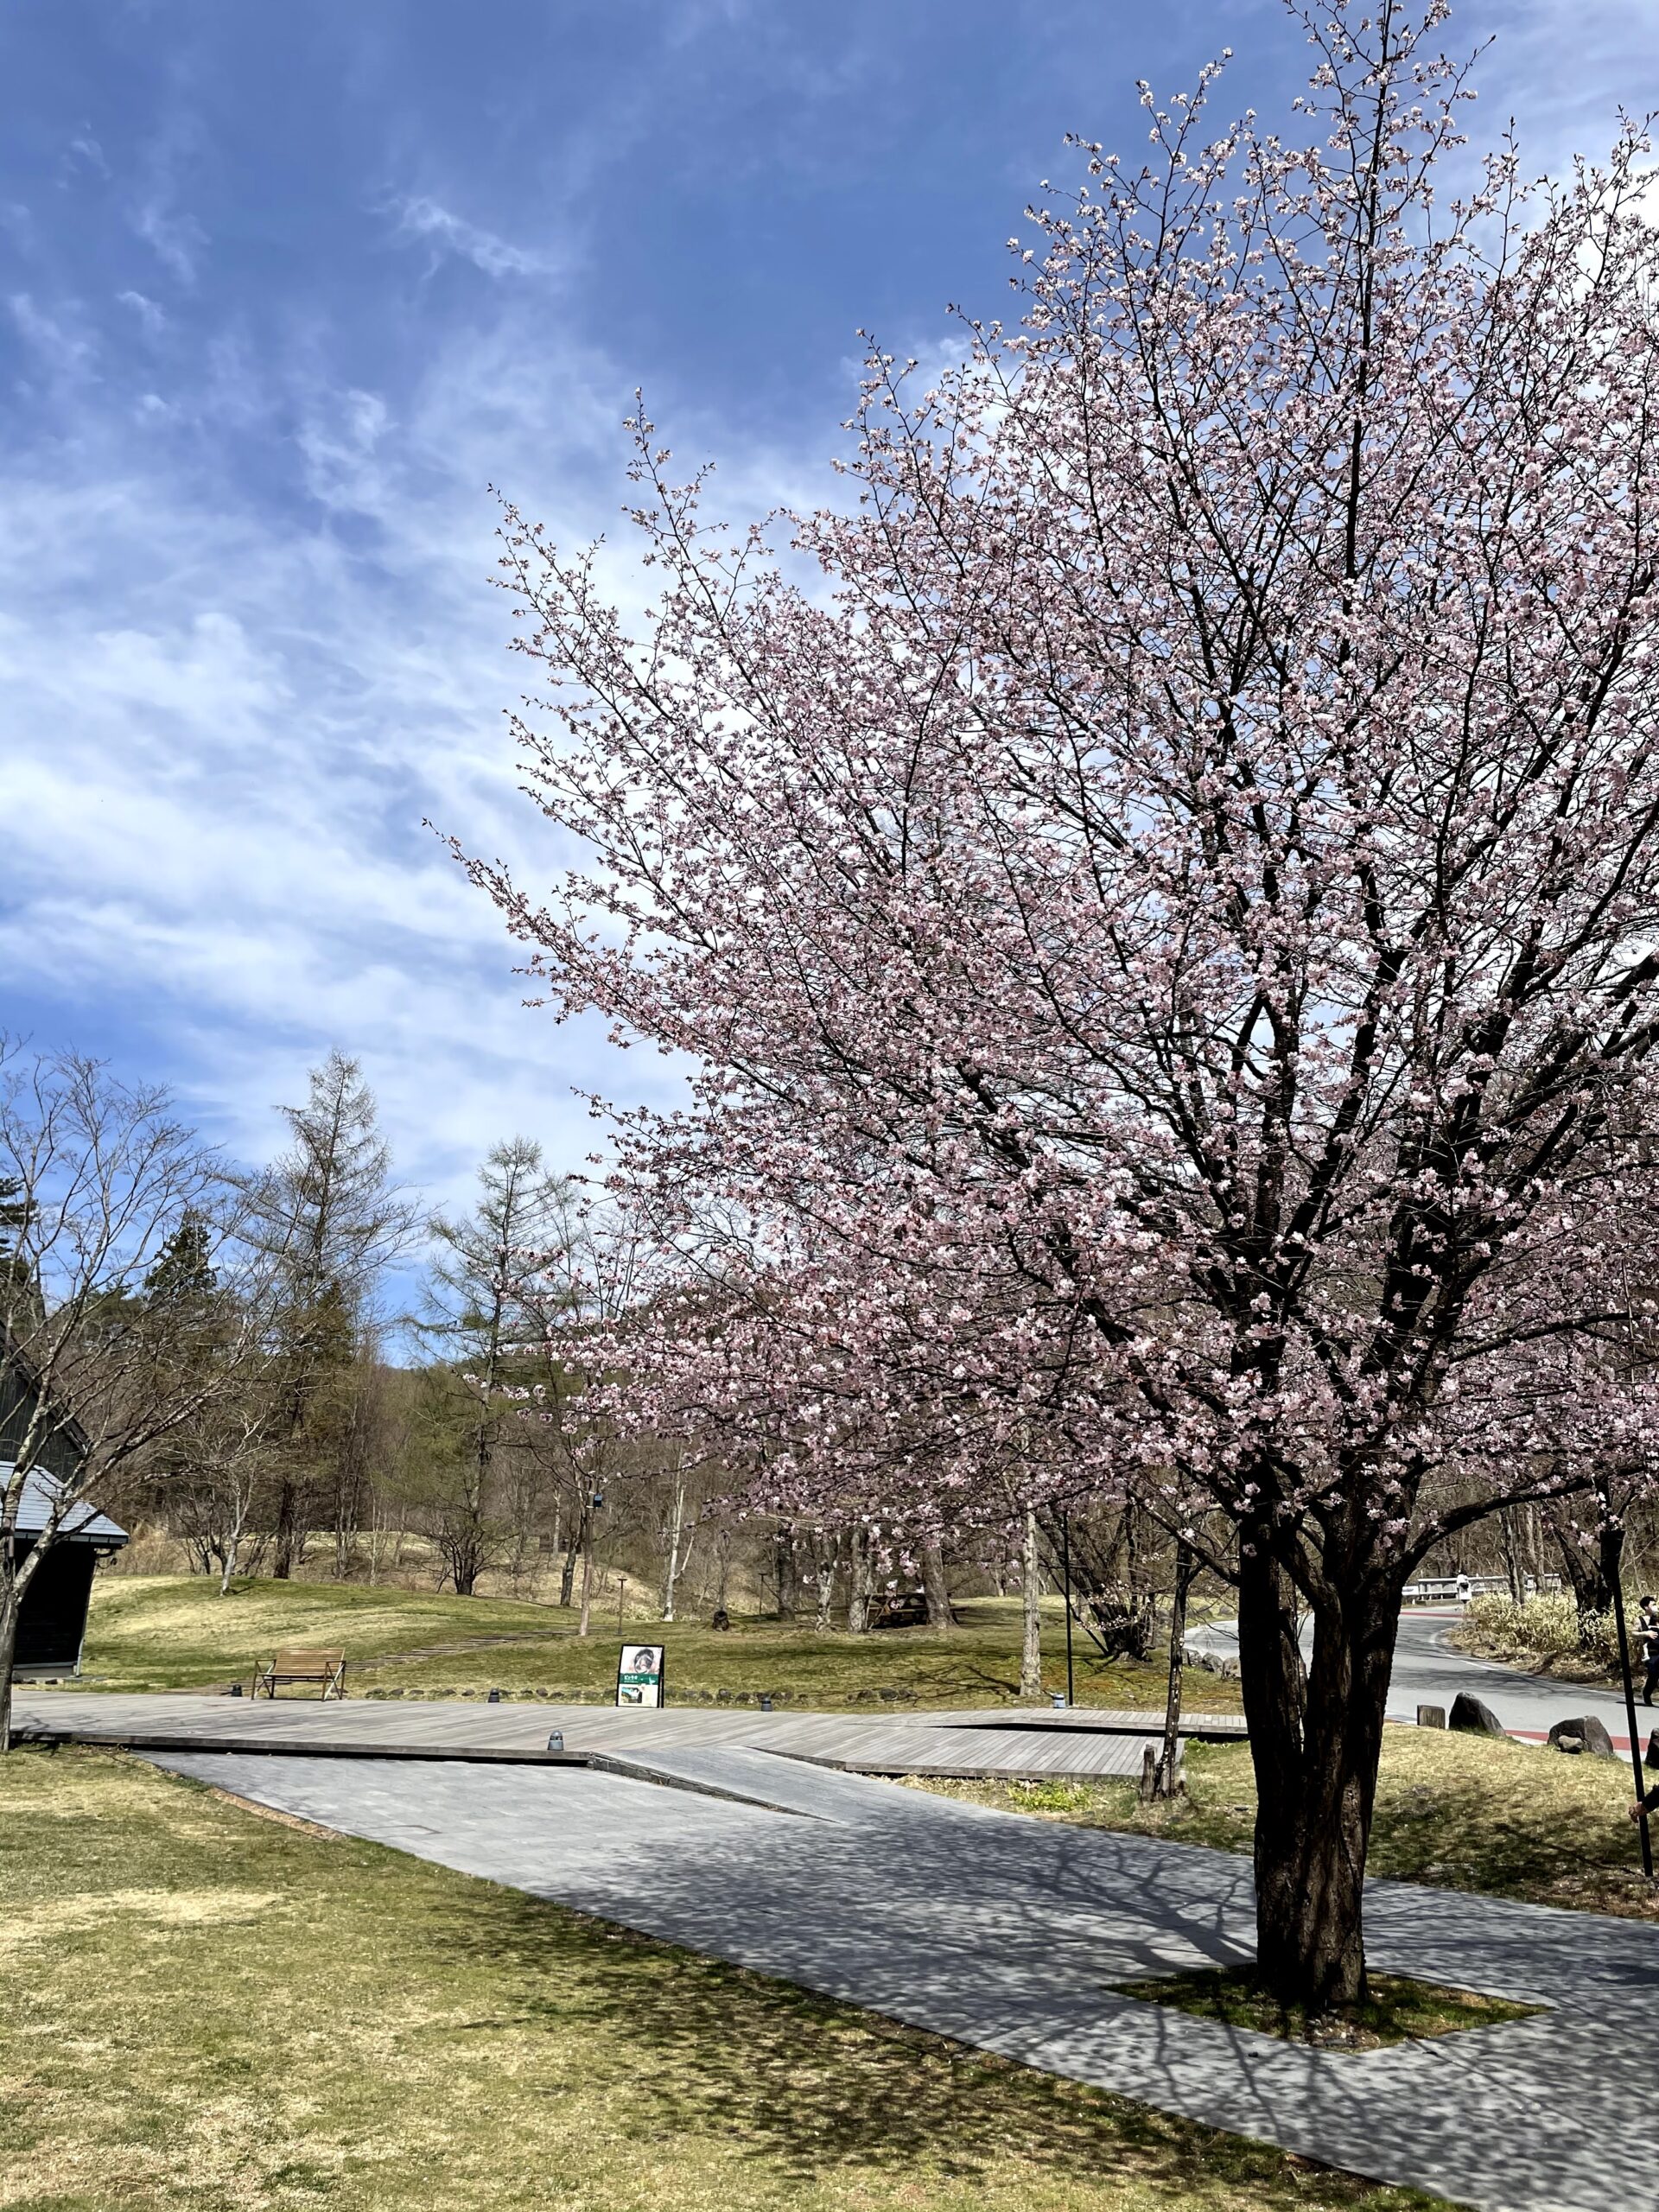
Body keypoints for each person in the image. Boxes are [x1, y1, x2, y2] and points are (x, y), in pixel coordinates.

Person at [1640, 1597, 1659, 1707]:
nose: (1655, 1606)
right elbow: (1632, 1634)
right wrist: (1646, 1634)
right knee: (1653, 1677)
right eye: (1653, 1604)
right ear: (1646, 1607)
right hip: (1652, 1653)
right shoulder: (1641, 1620)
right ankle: (1647, 1694)